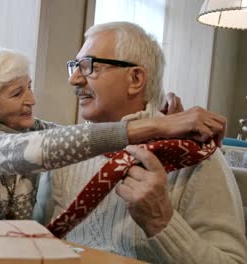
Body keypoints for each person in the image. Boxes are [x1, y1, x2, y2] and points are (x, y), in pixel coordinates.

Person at [0, 45, 226, 221]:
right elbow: (28, 153)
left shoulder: (33, 129)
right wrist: (158, 126)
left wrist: (164, 122)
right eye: (17, 93)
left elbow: (79, 140)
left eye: (29, 87)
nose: (31, 100)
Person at [41, 22, 246, 263]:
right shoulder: (69, 151)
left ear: (136, 78)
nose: (74, 80)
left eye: (88, 66)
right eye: (75, 66)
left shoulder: (195, 157)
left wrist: (162, 221)